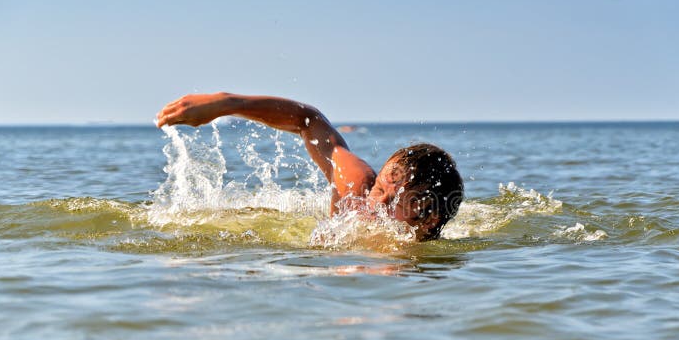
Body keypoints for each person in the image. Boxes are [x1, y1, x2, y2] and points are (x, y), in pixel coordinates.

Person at [156, 92, 463, 241]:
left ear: (429, 219)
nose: (375, 203)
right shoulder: (355, 191)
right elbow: (309, 121)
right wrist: (226, 104)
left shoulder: (418, 263)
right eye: (380, 189)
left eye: (393, 200)